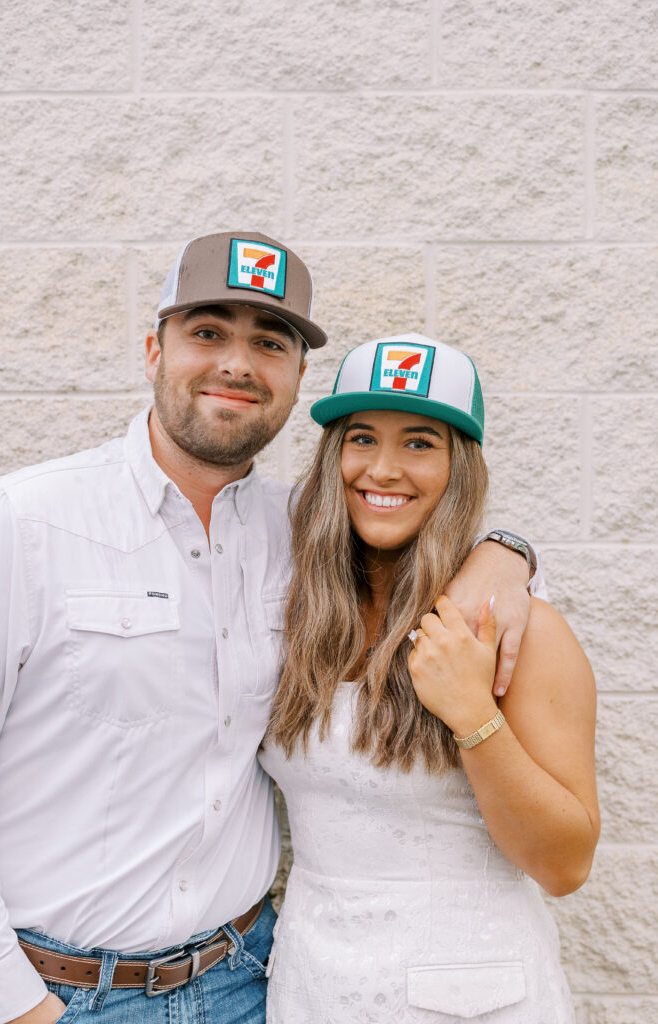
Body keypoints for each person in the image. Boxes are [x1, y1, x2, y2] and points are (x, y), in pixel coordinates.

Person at [0, 235, 540, 1024]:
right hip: (61, 995)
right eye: (207, 332)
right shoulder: (19, 521)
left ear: (296, 378)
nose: (237, 363)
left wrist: (505, 554)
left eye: (268, 343)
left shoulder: (302, 532)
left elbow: (416, 520)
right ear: (152, 350)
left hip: (249, 982)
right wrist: (11, 1003)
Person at [261, 333, 599, 1023]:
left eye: (419, 443)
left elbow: (565, 865)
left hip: (476, 1000)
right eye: (361, 439)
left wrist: (472, 712)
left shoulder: (517, 632)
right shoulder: (298, 611)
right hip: (314, 989)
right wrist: (512, 550)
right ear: (333, 457)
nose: (383, 469)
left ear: (458, 468)